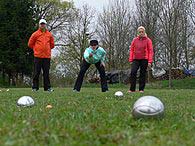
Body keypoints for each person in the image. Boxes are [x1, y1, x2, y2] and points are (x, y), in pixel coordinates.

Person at [28, 19, 54, 92]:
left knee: (46, 73)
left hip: (47, 57)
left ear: (45, 25)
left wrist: (47, 49)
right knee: (36, 73)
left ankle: (47, 88)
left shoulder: (49, 34)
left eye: (44, 24)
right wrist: (36, 49)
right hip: (38, 56)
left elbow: (52, 45)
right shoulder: (35, 34)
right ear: (39, 25)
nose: (42, 25)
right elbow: (30, 44)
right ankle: (35, 87)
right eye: (41, 24)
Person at [128, 26, 153, 93]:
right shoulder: (134, 40)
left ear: (144, 32)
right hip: (135, 59)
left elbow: (150, 51)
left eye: (142, 32)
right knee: (133, 72)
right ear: (138, 33)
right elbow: (131, 50)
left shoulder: (148, 40)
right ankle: (132, 89)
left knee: (142, 74)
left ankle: (141, 89)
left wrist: (150, 61)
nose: (141, 33)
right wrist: (131, 59)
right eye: (140, 32)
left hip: (144, 59)